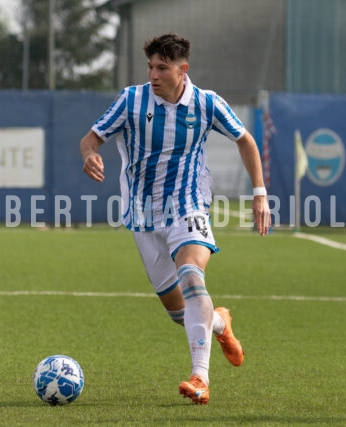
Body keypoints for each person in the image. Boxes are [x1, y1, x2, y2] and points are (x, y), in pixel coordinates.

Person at [80, 33, 271, 405]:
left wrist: (260, 193)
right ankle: (219, 322)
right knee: (179, 313)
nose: (153, 74)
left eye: (162, 68)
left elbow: (245, 140)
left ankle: (200, 377)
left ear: (183, 70)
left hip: (189, 204)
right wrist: (89, 155)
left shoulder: (206, 103)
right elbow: (90, 139)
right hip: (141, 213)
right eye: (150, 66)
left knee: (192, 275)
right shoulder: (131, 100)